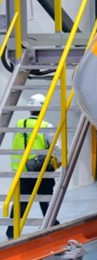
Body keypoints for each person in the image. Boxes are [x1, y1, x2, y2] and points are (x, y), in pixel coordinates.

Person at [6, 94, 58, 240]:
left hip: (22, 171)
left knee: (21, 202)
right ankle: (52, 224)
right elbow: (56, 147)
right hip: (40, 171)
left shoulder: (19, 124)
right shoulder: (46, 126)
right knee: (46, 199)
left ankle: (12, 231)